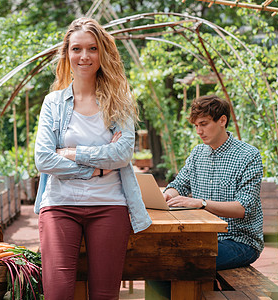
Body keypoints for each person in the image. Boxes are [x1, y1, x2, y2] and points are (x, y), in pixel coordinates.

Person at [34, 17, 152, 300]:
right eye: (76, 49)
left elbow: (122, 154)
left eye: (92, 48)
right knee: (58, 293)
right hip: (60, 204)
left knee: (104, 294)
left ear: (102, 53)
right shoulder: (53, 103)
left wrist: (73, 153)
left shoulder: (120, 101)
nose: (84, 56)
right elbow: (43, 160)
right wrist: (97, 169)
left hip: (109, 204)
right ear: (67, 54)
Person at [147, 95, 264, 298]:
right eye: (196, 126)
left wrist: (200, 203)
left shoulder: (248, 155)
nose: (199, 131)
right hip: (202, 238)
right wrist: (167, 195)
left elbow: (243, 208)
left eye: (204, 124)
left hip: (240, 241)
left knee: (176, 264)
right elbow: (179, 185)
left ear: (222, 120)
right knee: (157, 262)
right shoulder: (198, 153)